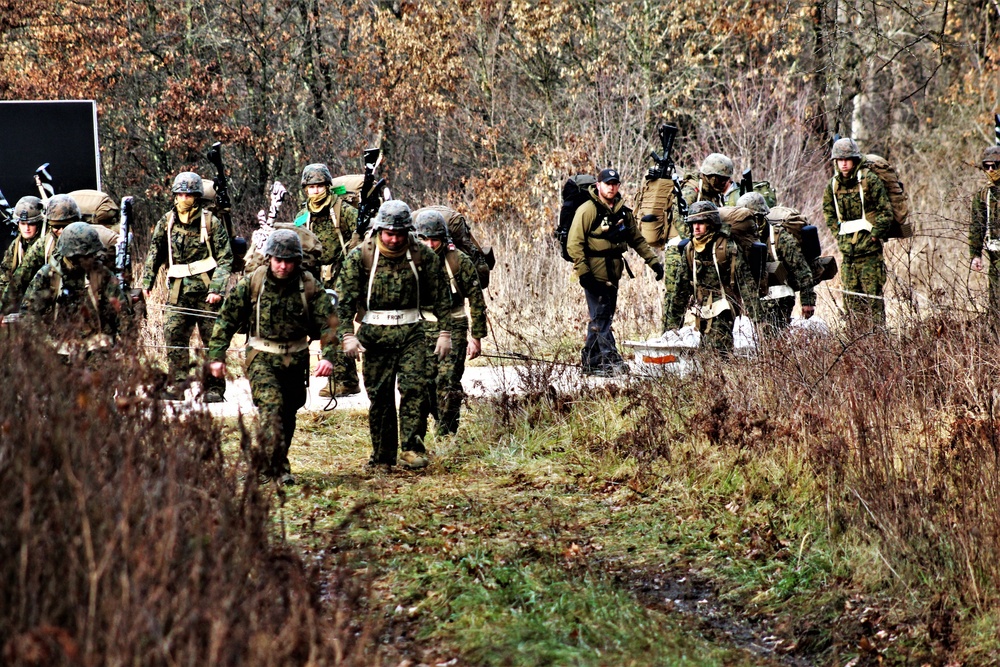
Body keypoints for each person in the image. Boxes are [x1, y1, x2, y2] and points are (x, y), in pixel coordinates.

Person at [207, 230, 336, 485]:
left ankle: (270, 463)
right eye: (278, 260)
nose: (283, 266)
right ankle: (275, 468)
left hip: (295, 357)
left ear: (297, 261)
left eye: (289, 261)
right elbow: (227, 318)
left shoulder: (309, 284)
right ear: (269, 259)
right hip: (261, 356)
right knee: (271, 406)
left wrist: (328, 356)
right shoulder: (254, 281)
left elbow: (330, 324)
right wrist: (216, 355)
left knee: (288, 412)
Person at [335, 200, 452, 471]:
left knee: (415, 390)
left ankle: (411, 448)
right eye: (389, 233)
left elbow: (442, 295)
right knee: (380, 396)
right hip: (375, 335)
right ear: (379, 231)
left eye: (400, 233)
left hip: (412, 332)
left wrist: (444, 332)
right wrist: (347, 335)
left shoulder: (423, 255)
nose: (395, 239)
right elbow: (343, 301)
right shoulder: (360, 256)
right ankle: (382, 457)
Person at [141, 171, 233, 402]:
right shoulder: (167, 222)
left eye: (188, 195)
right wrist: (146, 282)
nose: (183, 199)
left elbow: (225, 258)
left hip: (206, 291)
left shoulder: (210, 222)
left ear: (197, 197)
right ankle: (178, 385)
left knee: (212, 340)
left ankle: (214, 389)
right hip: (177, 292)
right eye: (179, 194)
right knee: (173, 336)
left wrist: (217, 289)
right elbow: (154, 253)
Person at [567, 168, 663, 376]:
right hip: (594, 272)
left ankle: (591, 361)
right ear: (598, 185)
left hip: (614, 272)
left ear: (618, 186)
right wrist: (584, 274)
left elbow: (636, 239)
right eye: (607, 183)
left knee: (602, 316)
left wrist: (653, 262)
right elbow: (574, 243)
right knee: (601, 317)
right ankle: (611, 360)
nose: (611, 187)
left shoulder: (622, 211)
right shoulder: (587, 209)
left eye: (614, 183)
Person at [413, 209, 488, 436]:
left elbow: (476, 299)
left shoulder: (459, 261)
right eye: (424, 239)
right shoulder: (410, 260)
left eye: (434, 239)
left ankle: (446, 433)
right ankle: (419, 433)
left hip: (454, 324)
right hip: (420, 326)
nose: (430, 244)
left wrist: (476, 338)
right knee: (422, 382)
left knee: (448, 381)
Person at [294, 163, 362, 397]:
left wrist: (353, 258)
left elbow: (364, 235)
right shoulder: (303, 216)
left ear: (327, 187)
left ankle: (342, 380)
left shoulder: (343, 210)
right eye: (311, 187)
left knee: (339, 323)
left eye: (320, 186)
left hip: (342, 274)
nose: (316, 191)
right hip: (316, 278)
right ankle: (347, 378)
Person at [20, 222, 131, 357]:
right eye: (85, 256)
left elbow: (122, 312)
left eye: (92, 254)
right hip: (56, 348)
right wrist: (43, 343)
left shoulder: (101, 274)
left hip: (95, 348)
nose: (91, 259)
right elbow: (28, 314)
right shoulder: (48, 275)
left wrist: (126, 347)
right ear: (71, 256)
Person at [667, 201, 761, 353]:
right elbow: (681, 290)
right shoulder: (690, 249)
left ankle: (720, 373)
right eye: (693, 223)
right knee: (704, 350)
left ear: (711, 224)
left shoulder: (728, 247)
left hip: (724, 304)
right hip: (701, 306)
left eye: (701, 223)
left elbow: (746, 283)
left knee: (718, 350)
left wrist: (757, 319)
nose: (696, 228)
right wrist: (672, 326)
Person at [822, 138, 893, 325]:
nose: (844, 163)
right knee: (851, 303)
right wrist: (838, 235)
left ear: (855, 159)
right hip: (848, 255)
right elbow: (828, 211)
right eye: (840, 160)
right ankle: (856, 346)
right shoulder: (833, 185)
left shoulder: (869, 180)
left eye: (847, 159)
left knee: (874, 302)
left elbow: (885, 211)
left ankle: (878, 342)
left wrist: (875, 235)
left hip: (870, 253)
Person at [662, 153, 735, 333]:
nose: (724, 184)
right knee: (676, 297)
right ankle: (669, 336)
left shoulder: (714, 195)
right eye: (721, 179)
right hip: (679, 251)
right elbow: (680, 217)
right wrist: (694, 240)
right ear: (711, 177)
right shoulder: (691, 190)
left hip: (701, 250)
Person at [735, 192, 815, 333]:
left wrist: (807, 301)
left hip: (780, 298)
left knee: (774, 339)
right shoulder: (742, 239)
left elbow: (802, 270)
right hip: (755, 300)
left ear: (759, 217)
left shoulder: (780, 238)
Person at [3, 194, 82, 312]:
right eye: (56, 226)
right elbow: (20, 276)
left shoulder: (87, 238)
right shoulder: (43, 244)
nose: (61, 231)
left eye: (65, 226)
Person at [969, 145, 1000, 314]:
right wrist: (975, 254)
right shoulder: (984, 194)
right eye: (986, 166)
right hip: (995, 255)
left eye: (994, 166)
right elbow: (976, 225)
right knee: (995, 302)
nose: (990, 170)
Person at [0, 196, 45, 298]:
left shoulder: (45, 243)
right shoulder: (17, 245)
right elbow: (5, 275)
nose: (27, 228)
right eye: (23, 224)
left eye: (31, 224)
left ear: (38, 224)